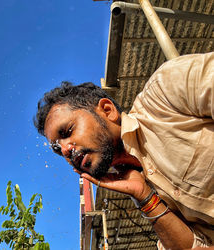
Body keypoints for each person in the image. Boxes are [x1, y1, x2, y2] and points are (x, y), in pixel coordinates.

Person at [34, 52, 214, 249]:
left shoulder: (166, 94)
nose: (66, 150)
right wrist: (145, 197)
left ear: (107, 110)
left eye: (68, 131)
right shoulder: (144, 190)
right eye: (58, 150)